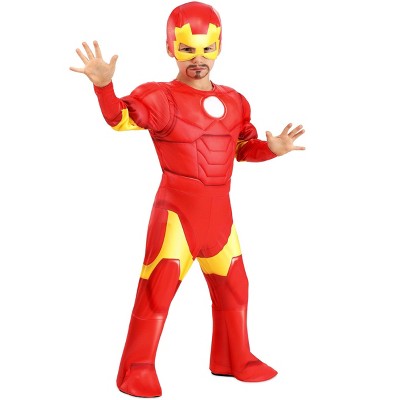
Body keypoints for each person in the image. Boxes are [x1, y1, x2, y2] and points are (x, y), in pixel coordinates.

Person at [70, 1, 305, 397]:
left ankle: (233, 358)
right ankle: (137, 370)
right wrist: (104, 87)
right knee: (157, 292)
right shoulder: (160, 97)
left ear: (219, 46)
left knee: (235, 289)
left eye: (207, 48)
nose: (198, 59)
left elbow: (242, 149)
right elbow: (120, 119)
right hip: (177, 216)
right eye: (187, 49)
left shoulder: (235, 101)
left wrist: (273, 149)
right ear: (171, 48)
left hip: (220, 217)